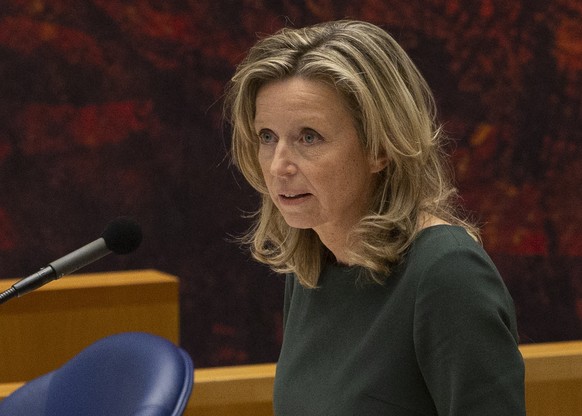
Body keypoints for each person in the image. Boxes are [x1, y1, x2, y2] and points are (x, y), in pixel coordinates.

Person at [225, 19, 525, 415]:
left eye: (308, 137)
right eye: (267, 136)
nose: (279, 166)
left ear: (380, 148)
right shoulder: (313, 263)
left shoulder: (447, 274)